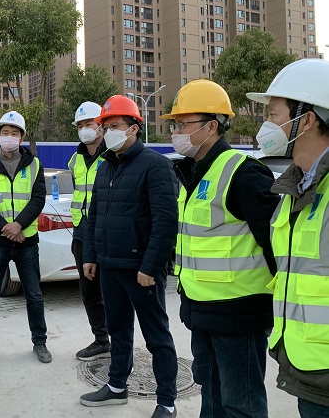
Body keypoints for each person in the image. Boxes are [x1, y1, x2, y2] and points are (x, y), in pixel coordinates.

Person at [161, 80, 280, 418]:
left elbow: (278, 248)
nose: (176, 132)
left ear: (212, 126)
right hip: (202, 312)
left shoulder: (243, 173)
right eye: (174, 125)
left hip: (239, 317)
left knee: (241, 405)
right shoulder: (194, 174)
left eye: (183, 124)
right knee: (211, 398)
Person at [79, 95, 179, 418]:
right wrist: (91, 255)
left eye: (115, 126)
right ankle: (116, 386)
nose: (108, 132)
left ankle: (166, 402)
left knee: (156, 337)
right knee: (118, 331)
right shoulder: (104, 167)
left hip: (141, 270)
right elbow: (94, 215)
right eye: (106, 126)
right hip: (110, 266)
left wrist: (151, 266)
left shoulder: (155, 165)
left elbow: (166, 222)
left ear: (134, 128)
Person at [247, 59, 329, 418]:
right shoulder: (294, 187)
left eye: (273, 113)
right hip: (304, 367)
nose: (266, 124)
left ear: (306, 120)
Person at [0, 111, 51, 366]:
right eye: (5, 132)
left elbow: (38, 199)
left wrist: (19, 225)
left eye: (14, 133)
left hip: (26, 240)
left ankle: (40, 342)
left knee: (34, 295)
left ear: (22, 137)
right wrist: (6, 228)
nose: (9, 137)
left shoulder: (34, 164)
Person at [67, 101, 110, 360]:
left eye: (89, 124)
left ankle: (120, 342)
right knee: (89, 292)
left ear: (101, 126)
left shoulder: (113, 155)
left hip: (107, 234)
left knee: (112, 293)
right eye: (80, 125)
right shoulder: (75, 159)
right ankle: (101, 340)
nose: (84, 129)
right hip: (82, 235)